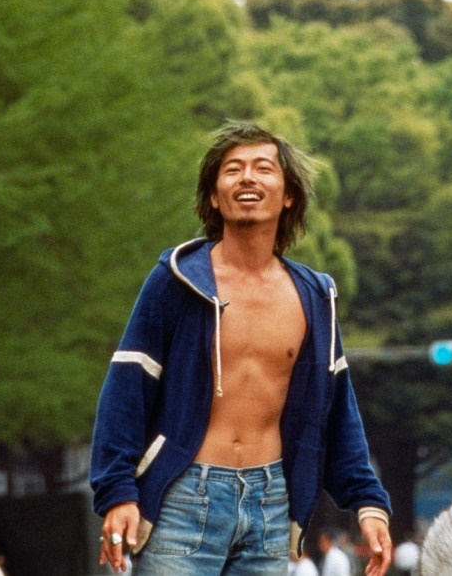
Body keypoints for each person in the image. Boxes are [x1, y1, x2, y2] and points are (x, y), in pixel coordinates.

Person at [90, 122, 394, 576]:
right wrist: (117, 492)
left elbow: (337, 414)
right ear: (214, 197)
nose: (247, 177)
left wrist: (369, 501)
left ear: (288, 195)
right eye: (232, 169)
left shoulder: (314, 296)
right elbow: (126, 390)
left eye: (263, 168)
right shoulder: (177, 280)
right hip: (183, 499)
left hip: (271, 505)